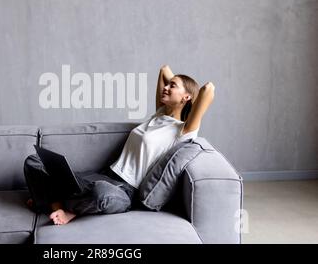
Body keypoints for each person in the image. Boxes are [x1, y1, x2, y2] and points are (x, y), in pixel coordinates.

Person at [24, 64, 215, 225]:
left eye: (172, 86)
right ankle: (56, 204)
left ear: (187, 97)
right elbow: (164, 69)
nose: (166, 87)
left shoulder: (182, 131)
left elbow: (208, 90)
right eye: (168, 84)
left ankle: (57, 205)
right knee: (34, 161)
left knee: (101, 194)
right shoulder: (159, 115)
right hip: (103, 175)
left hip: (124, 190)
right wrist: (177, 89)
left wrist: (188, 99)